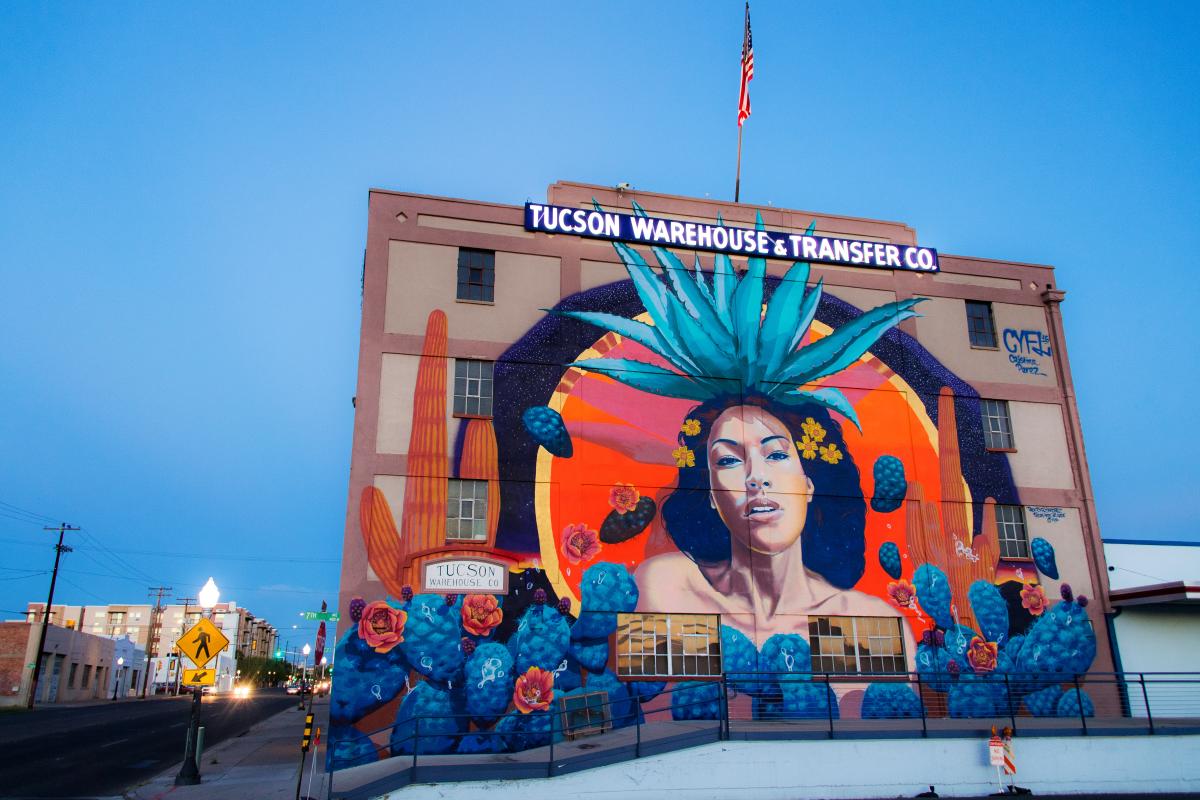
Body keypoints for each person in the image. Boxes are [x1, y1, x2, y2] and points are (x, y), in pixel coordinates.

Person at [637, 395, 913, 658]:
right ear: (712, 495)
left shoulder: (869, 621)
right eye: (729, 460)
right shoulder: (667, 587)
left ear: (808, 485)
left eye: (777, 455)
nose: (756, 477)